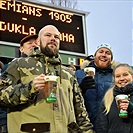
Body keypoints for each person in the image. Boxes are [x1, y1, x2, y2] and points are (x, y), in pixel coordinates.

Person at [0, 25, 94, 133]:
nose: (53, 38)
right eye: (48, 35)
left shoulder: (68, 74)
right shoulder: (19, 65)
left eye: (56, 37)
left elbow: (81, 114)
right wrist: (30, 88)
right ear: (38, 41)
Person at [0, 34, 39, 133]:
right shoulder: (13, 66)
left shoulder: (46, 68)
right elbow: (3, 94)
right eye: (29, 43)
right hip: (20, 124)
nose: (33, 45)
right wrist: (4, 123)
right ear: (21, 49)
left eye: (36, 43)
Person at [77, 43, 119, 129]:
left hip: (108, 126)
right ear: (95, 55)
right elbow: (69, 97)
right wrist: (80, 88)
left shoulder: (116, 76)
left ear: (111, 59)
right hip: (84, 125)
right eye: (101, 52)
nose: (104, 55)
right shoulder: (79, 74)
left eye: (108, 53)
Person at [95, 63, 133, 133]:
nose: (121, 79)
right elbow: (101, 125)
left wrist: (131, 109)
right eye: (118, 76)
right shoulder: (108, 97)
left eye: (125, 75)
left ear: (132, 76)